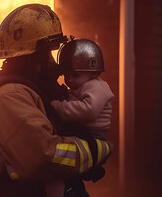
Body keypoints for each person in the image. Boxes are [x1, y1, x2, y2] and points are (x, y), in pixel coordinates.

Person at [0, 4, 113, 197]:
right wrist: (97, 150)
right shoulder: (11, 95)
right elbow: (42, 157)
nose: (55, 63)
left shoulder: (30, 89)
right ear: (35, 57)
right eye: (50, 54)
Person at [44, 37, 114, 197]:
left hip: (92, 135)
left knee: (54, 166)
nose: (69, 80)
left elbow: (88, 110)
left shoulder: (96, 86)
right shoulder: (82, 84)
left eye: (75, 75)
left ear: (94, 72)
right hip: (82, 132)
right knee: (53, 171)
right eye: (66, 75)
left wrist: (59, 106)